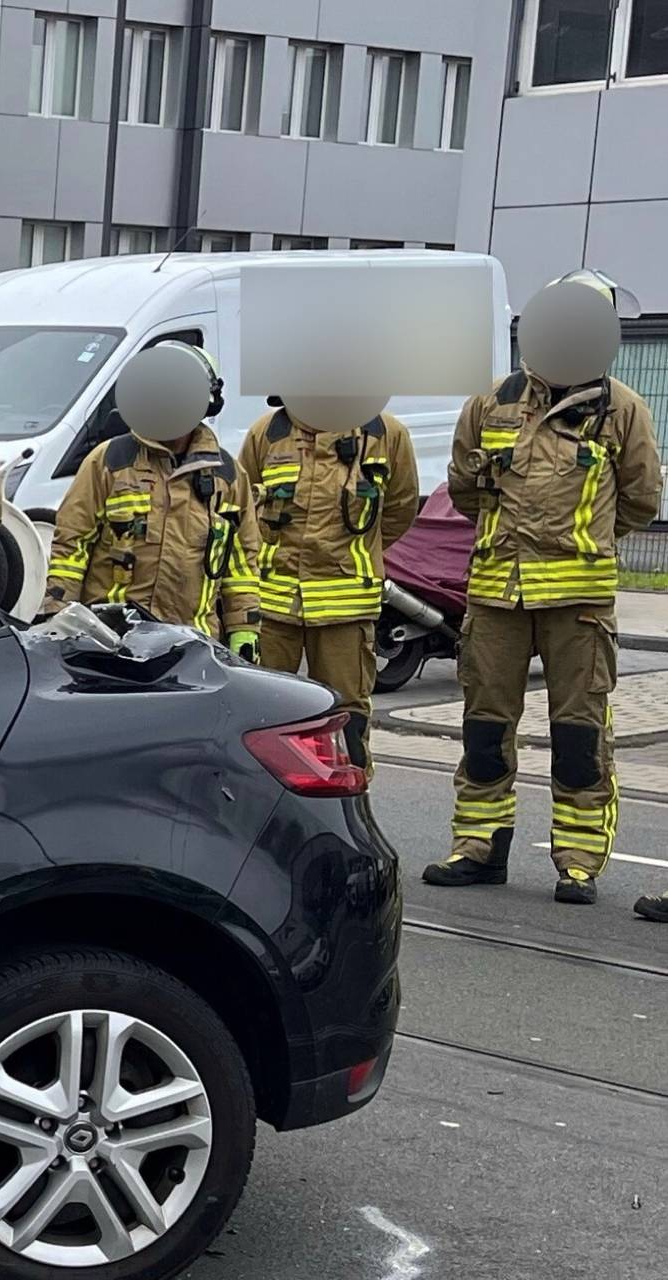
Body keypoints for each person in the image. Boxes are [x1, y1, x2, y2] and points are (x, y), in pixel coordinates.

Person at [424, 270, 661, 908]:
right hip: (497, 595)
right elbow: (465, 488)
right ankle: (479, 847)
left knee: (580, 736)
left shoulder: (623, 411)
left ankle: (578, 861)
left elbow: (641, 500)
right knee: (484, 727)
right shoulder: (491, 405)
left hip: (578, 604)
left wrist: (584, 539)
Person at [44, 342, 262, 649]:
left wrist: (244, 629)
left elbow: (241, 564)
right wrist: (58, 615)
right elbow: (71, 546)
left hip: (193, 645)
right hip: (113, 641)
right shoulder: (108, 461)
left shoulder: (227, 475)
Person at [239, 394, 420, 762]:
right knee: (261, 714)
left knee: (346, 716)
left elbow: (400, 508)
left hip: (346, 611)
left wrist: (355, 553)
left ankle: (349, 794)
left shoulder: (386, 435)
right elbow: (242, 510)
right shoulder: (267, 434)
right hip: (273, 607)